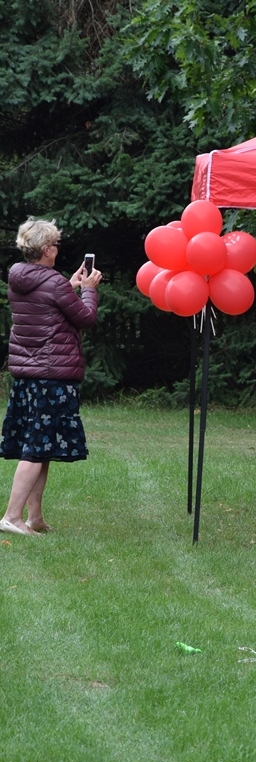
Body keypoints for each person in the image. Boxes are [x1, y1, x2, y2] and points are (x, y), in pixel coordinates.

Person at [0, 218, 102, 536]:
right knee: (35, 448)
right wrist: (88, 291)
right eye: (55, 244)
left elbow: (46, 304)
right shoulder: (53, 282)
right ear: (46, 250)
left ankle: (35, 518)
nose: (58, 249)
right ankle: (12, 517)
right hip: (51, 376)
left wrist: (70, 286)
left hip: (28, 376)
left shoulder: (19, 279)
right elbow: (84, 318)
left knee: (40, 446)